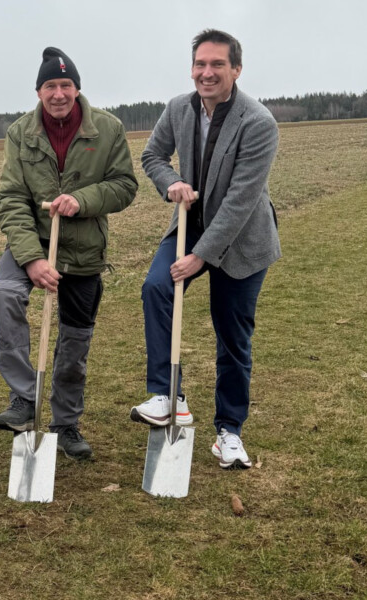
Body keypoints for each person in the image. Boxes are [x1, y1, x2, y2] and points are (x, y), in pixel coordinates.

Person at [131, 29, 280, 470]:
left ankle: (229, 432)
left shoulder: (258, 123)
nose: (207, 72)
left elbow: (240, 201)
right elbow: (152, 156)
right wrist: (171, 181)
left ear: (236, 69)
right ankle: (168, 395)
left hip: (242, 240)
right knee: (157, 288)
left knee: (232, 335)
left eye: (217, 64)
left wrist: (201, 257)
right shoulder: (178, 108)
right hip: (190, 226)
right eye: (200, 64)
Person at [0, 48, 138, 460]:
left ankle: (66, 423)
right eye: (50, 86)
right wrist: (32, 259)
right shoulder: (20, 133)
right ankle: (24, 398)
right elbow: (11, 198)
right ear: (38, 91)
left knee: (74, 344)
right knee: (5, 294)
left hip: (84, 250)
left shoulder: (107, 129)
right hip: (32, 242)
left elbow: (125, 185)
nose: (58, 94)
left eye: (65, 85)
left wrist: (82, 199)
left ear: (77, 88)